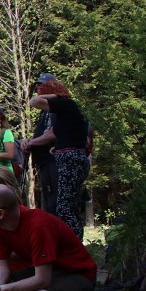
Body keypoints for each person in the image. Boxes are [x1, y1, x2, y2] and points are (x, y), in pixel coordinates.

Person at [28, 77, 90, 239]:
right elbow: (63, 134)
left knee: (65, 207)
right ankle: (75, 243)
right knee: (69, 205)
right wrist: (58, 148)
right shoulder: (67, 112)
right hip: (70, 159)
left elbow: (34, 101)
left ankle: (73, 244)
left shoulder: (66, 104)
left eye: (43, 92)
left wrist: (56, 95)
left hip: (71, 161)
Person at [23, 73, 59, 215]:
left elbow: (51, 135)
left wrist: (32, 142)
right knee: (49, 201)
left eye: (43, 86)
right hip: (44, 162)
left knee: (56, 200)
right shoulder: (45, 111)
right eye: (38, 86)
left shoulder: (56, 108)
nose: (39, 89)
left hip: (54, 160)